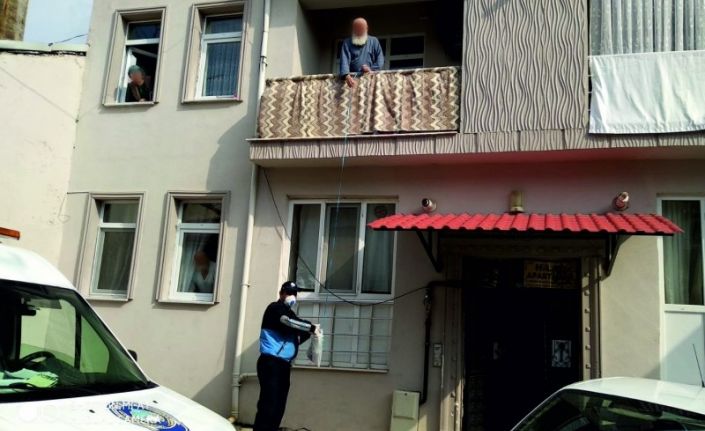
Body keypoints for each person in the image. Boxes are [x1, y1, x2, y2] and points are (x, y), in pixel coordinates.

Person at [254, 281, 319, 431]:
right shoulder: (275, 308)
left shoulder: (290, 314)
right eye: (289, 293)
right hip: (271, 362)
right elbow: (287, 322)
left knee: (279, 406)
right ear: (281, 293)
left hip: (284, 365)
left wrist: (310, 333)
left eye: (295, 293)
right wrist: (310, 327)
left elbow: (297, 331)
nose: (292, 296)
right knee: (269, 404)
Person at [339, 17, 385, 88]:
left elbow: (380, 59)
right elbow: (344, 61)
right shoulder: (347, 42)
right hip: (353, 79)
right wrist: (347, 76)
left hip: (371, 79)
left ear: (366, 29)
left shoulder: (374, 41)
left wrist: (371, 69)